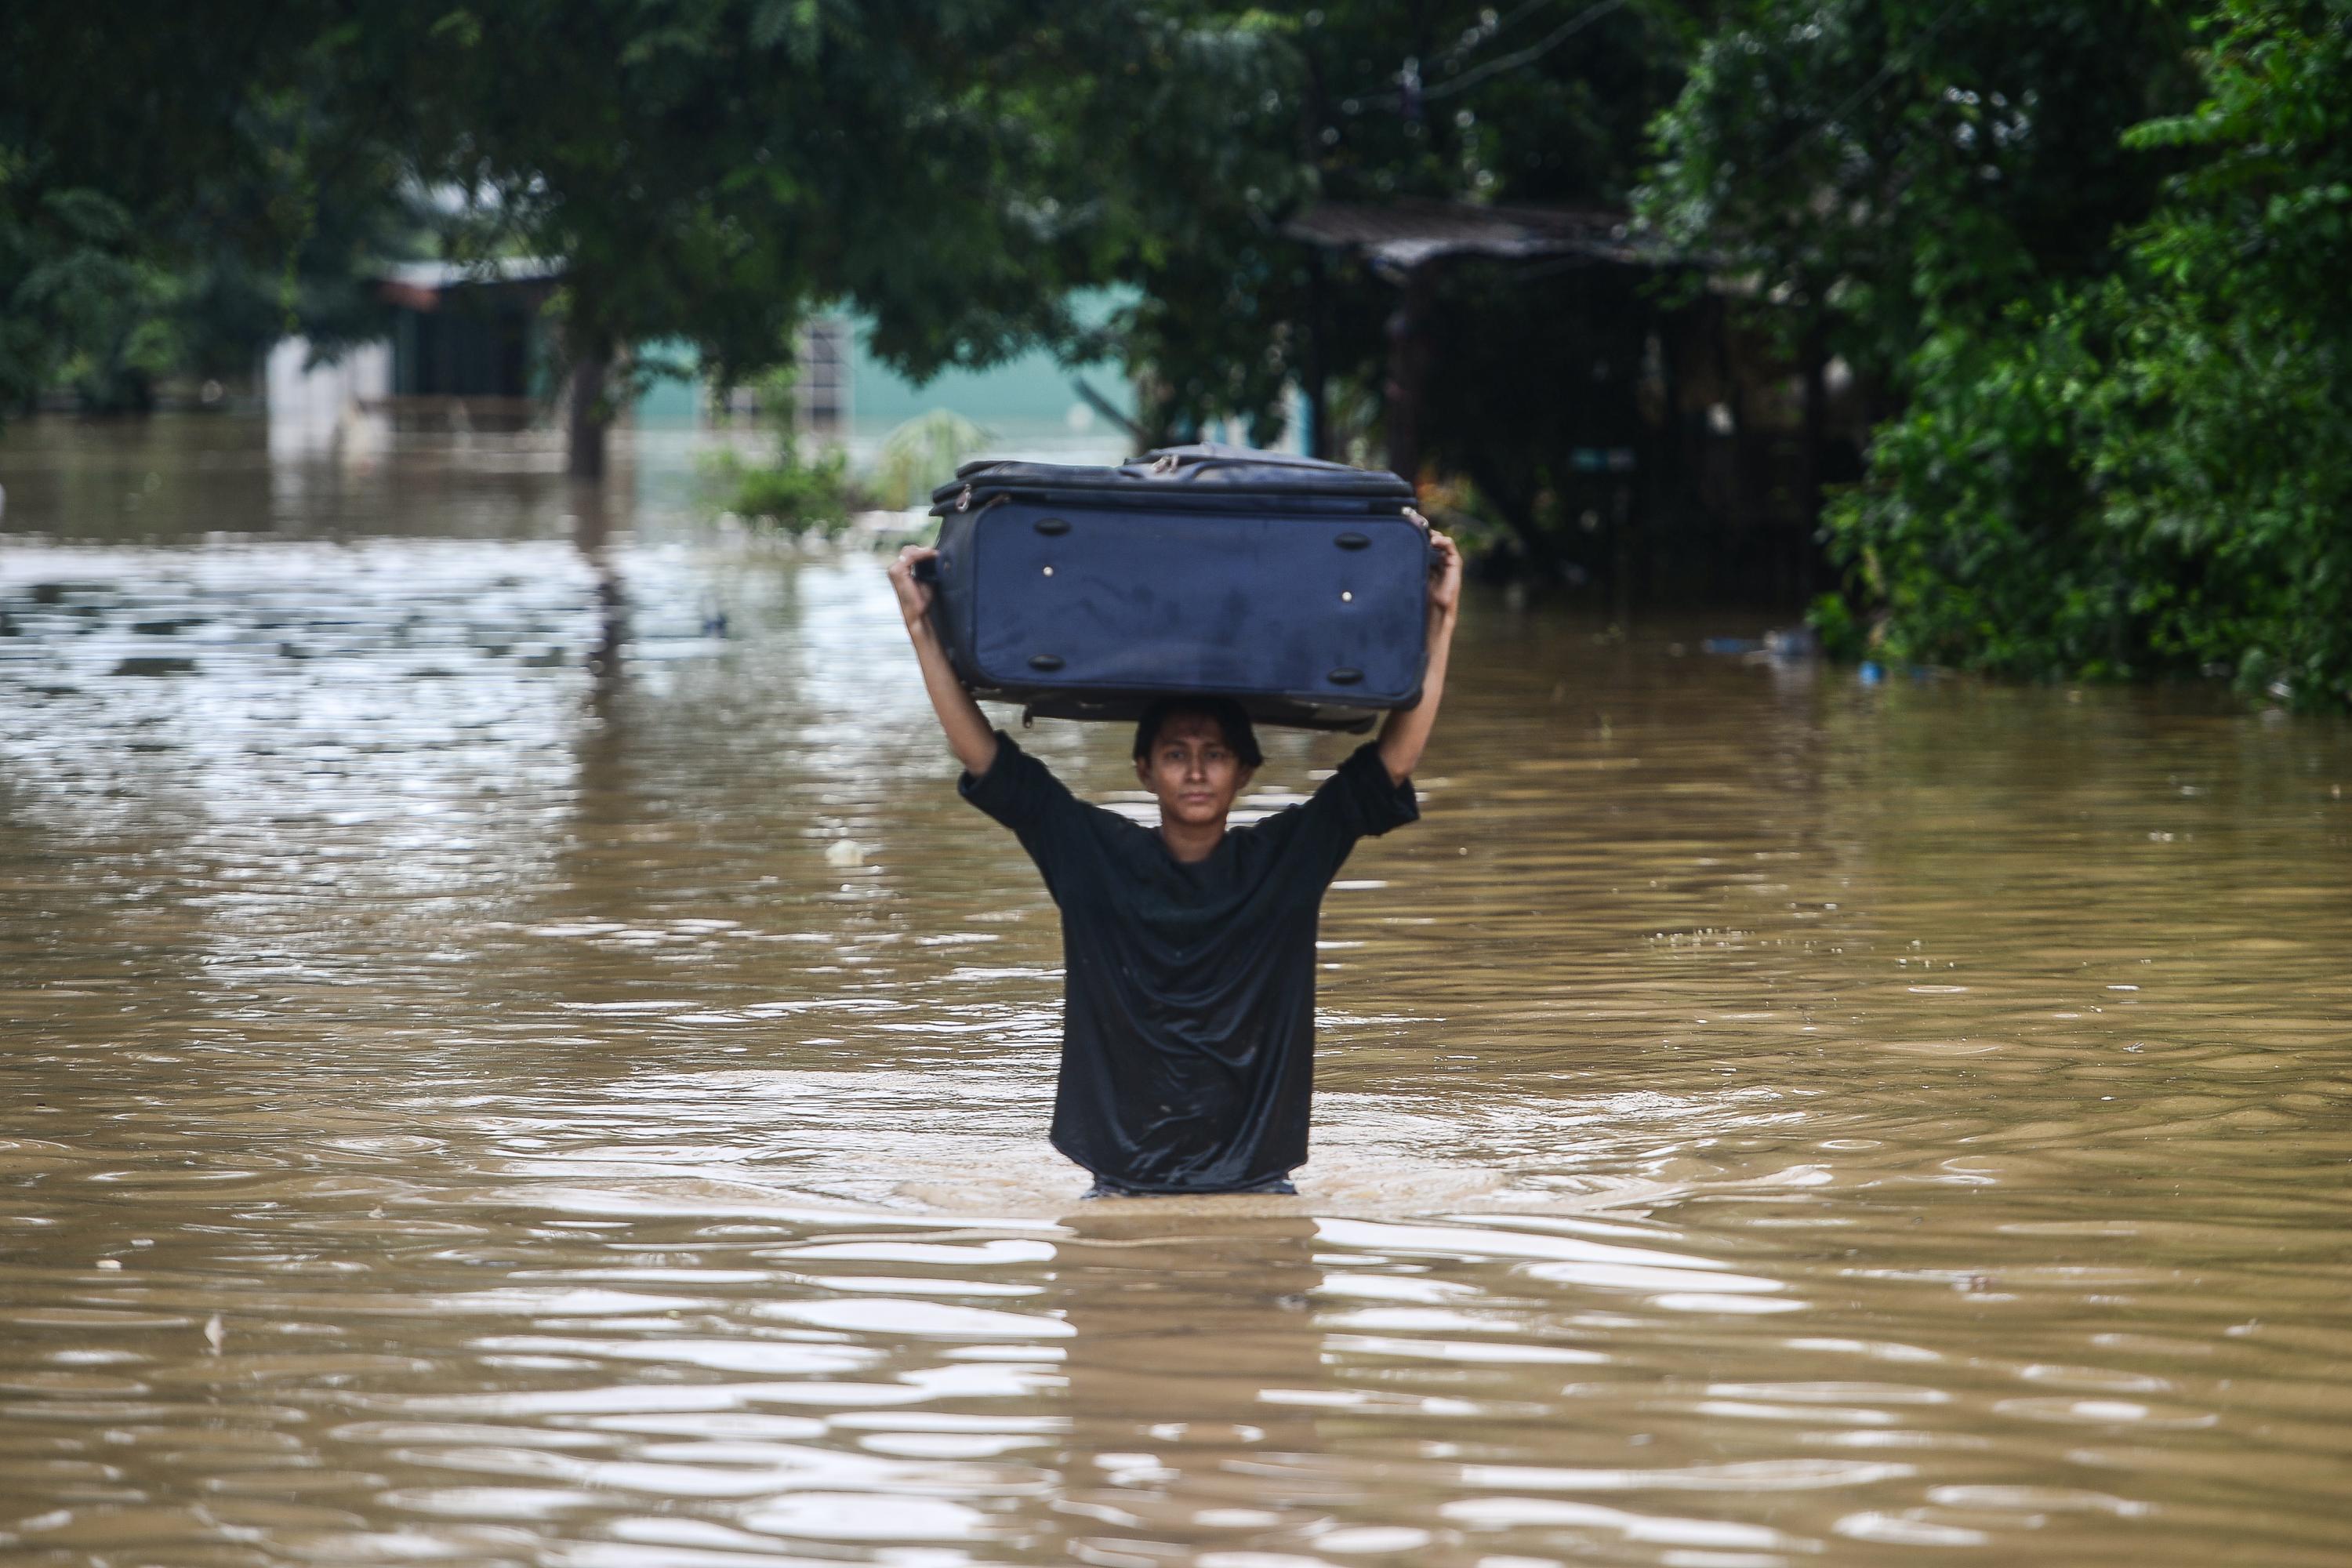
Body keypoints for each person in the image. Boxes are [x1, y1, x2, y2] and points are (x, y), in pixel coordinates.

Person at [887, 526, 1462, 1196]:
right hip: (1122, 1183)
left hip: (1257, 1183)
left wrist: (1441, 618)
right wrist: (920, 626)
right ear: (1145, 769)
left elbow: (1391, 764)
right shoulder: (1091, 854)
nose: (1195, 771)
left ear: (1244, 771)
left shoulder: (1288, 858)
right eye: (1175, 753)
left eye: (1214, 754)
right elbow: (984, 755)